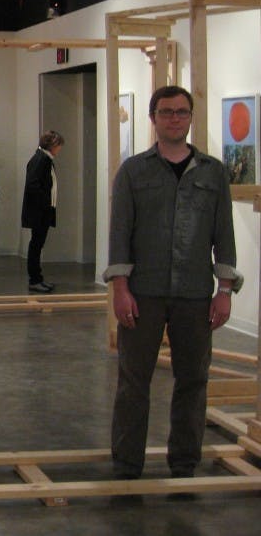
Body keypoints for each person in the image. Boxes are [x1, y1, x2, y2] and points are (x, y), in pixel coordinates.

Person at [106, 85, 242, 481]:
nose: (174, 118)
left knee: (193, 381)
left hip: (195, 295)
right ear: (153, 118)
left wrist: (225, 291)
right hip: (143, 293)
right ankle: (127, 462)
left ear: (190, 117)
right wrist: (120, 287)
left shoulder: (213, 172)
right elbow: (120, 232)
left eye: (182, 112)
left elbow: (225, 234)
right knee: (133, 381)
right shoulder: (133, 171)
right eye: (166, 112)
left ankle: (184, 462)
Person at [20, 130, 64, 292]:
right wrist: (44, 204)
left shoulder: (44, 159)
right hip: (39, 211)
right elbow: (33, 185)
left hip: (43, 210)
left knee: (37, 244)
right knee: (36, 245)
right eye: (58, 145)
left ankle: (37, 278)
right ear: (52, 145)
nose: (59, 149)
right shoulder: (41, 160)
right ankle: (35, 279)